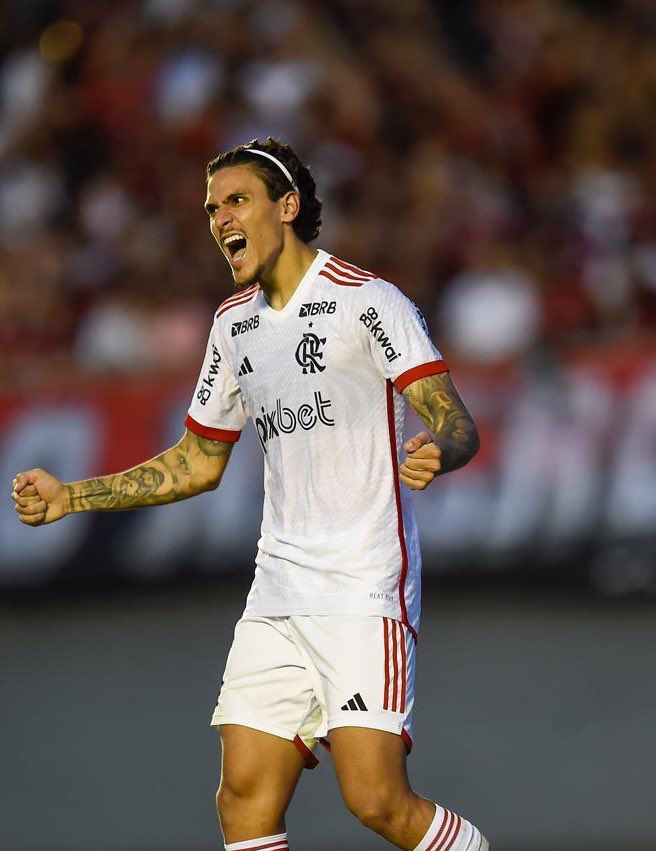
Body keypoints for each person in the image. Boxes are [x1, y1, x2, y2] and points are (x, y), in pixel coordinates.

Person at [11, 138, 490, 851]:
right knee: (243, 799)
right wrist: (69, 498)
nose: (219, 219)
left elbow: (457, 423)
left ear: (287, 206)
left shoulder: (368, 302)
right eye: (211, 207)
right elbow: (199, 462)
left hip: (362, 583)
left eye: (236, 200)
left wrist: (438, 451)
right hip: (277, 589)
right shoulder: (233, 325)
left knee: (377, 799)